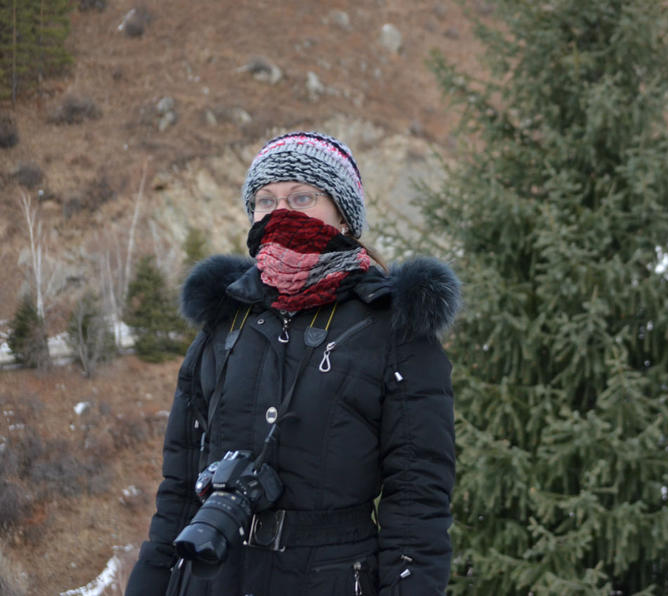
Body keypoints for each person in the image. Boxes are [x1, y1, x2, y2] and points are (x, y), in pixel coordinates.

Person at [125, 131, 459, 595]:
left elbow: (418, 501)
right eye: (266, 200)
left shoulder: (393, 330)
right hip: (213, 577)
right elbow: (180, 487)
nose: (281, 213)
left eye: (302, 196)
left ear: (343, 215)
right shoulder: (225, 322)